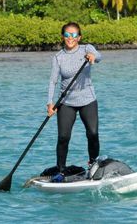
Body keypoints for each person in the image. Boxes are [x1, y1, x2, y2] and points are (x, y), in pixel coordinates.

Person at [47, 22, 102, 173]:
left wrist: (93, 57)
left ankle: (93, 164)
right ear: (62, 37)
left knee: (93, 133)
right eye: (67, 35)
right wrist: (50, 103)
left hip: (87, 99)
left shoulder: (86, 49)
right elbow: (53, 81)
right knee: (63, 137)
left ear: (79, 37)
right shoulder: (58, 57)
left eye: (74, 35)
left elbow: (99, 56)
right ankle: (60, 170)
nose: (70, 38)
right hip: (66, 102)